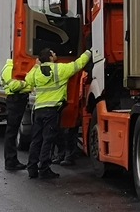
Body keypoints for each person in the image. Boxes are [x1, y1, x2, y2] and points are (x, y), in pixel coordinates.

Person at [22, 47, 91, 180]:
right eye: (53, 53)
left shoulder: (36, 72)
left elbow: (28, 80)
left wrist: (36, 66)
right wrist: (89, 51)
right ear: (49, 57)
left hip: (38, 110)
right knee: (48, 140)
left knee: (36, 140)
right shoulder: (59, 69)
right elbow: (79, 64)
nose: (56, 54)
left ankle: (32, 168)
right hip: (52, 110)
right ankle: (44, 169)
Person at [1, 58, 32, 171]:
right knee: (11, 132)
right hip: (15, 99)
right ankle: (10, 161)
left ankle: (12, 160)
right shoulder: (10, 69)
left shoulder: (10, 68)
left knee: (12, 131)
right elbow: (14, 87)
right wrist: (27, 84)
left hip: (17, 99)